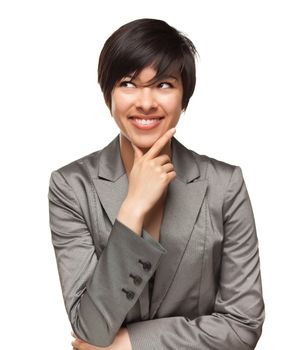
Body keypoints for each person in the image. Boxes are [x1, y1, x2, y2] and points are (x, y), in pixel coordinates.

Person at [48, 18, 264, 350]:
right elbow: (88, 329)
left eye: (163, 84)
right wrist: (133, 207)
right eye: (128, 83)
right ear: (108, 94)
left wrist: (129, 343)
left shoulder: (224, 185)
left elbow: (242, 326)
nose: (146, 102)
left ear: (184, 96)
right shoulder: (71, 187)